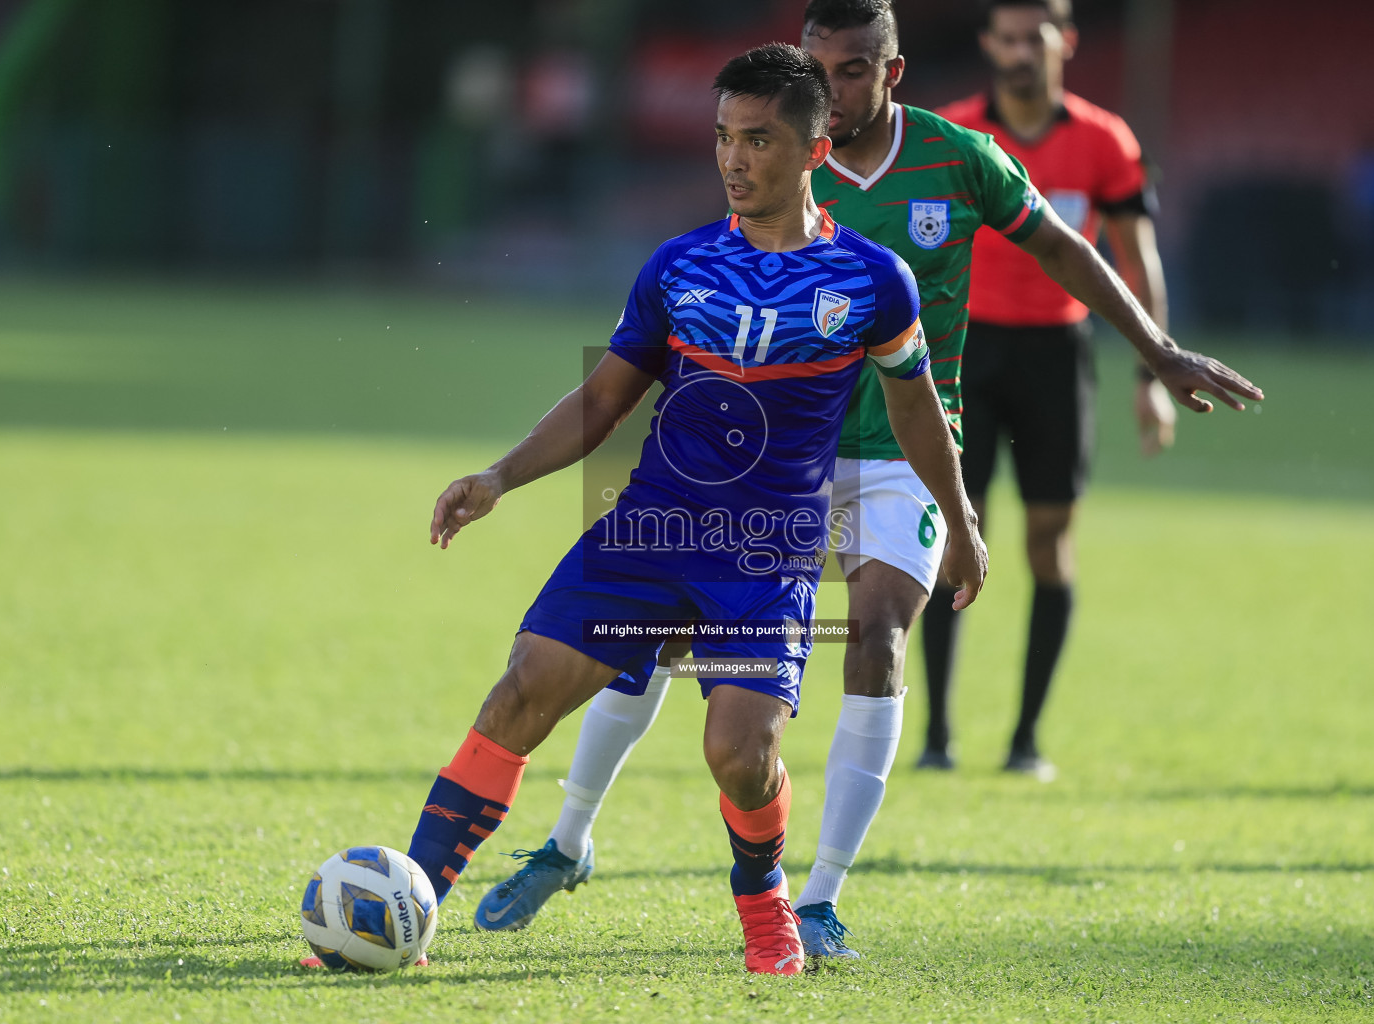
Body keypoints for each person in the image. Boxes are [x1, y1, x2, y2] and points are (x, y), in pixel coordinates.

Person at [467, 0, 1262, 963]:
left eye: (848, 71)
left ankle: (822, 898)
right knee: (653, 636)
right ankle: (566, 842)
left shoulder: (958, 158)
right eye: (815, 67)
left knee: (878, 632)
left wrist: (1156, 350)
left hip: (901, 453)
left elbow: (1058, 245)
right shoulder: (775, 159)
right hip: (759, 466)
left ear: (889, 74)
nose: (827, 89)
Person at [323, 43, 985, 977]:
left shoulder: (874, 281)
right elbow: (602, 401)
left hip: (764, 557)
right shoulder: (679, 267)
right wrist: (500, 478)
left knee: (739, 754)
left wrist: (957, 523)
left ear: (814, 144)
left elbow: (917, 409)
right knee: (520, 693)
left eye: (757, 139)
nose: (734, 160)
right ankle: (407, 907)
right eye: (723, 138)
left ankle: (765, 903)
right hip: (650, 532)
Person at [921, 0, 1180, 779]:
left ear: (1063, 41)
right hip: (963, 354)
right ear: (988, 45)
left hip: (1058, 357)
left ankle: (1026, 740)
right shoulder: (954, 135)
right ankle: (936, 736)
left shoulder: (1105, 140)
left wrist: (1153, 371)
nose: (1018, 50)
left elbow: (1138, 260)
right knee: (947, 545)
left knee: (1047, 544)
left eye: (1034, 35)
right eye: (1005, 36)